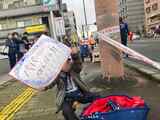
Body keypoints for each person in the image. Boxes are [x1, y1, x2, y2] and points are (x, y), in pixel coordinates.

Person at [45, 49, 98, 120]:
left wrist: (75, 55)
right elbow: (50, 84)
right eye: (65, 62)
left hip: (79, 93)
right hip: (66, 97)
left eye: (68, 61)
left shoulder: (74, 69)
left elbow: (78, 64)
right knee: (66, 111)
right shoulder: (57, 74)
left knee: (97, 97)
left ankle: (91, 113)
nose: (68, 63)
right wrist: (43, 87)